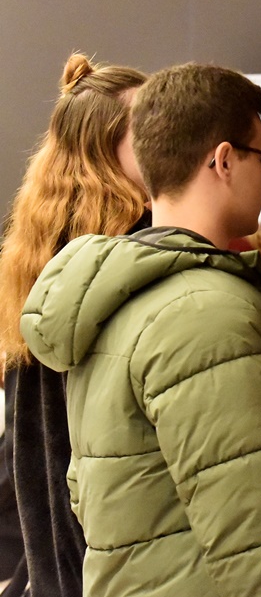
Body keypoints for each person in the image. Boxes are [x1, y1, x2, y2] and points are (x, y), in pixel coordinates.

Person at [19, 63, 261, 597]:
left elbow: (87, 494)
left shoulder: (112, 293)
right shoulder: (207, 313)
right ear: (224, 160)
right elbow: (259, 551)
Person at [0, 54, 148, 597]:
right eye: (146, 130)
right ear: (103, 150)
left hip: (58, 539)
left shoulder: (37, 244)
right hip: (95, 533)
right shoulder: (125, 253)